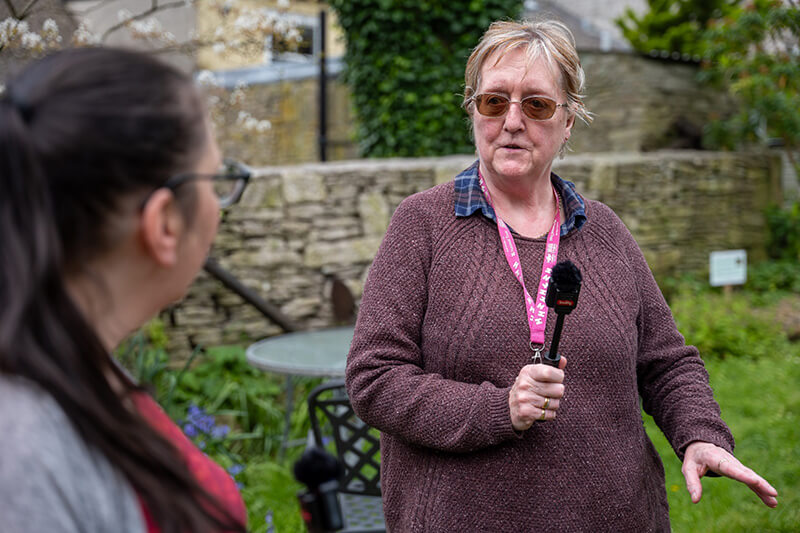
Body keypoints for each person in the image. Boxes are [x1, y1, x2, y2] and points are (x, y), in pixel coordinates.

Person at [345, 19, 778, 532]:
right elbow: (374, 378)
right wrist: (497, 408)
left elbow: (666, 362)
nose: (511, 121)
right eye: (493, 102)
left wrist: (699, 433)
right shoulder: (423, 226)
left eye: (536, 104)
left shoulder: (605, 231)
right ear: (472, 111)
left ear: (568, 120)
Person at [0, 47, 252, 533]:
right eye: (216, 180)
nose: (220, 205)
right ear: (163, 223)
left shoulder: (71, 364)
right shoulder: (24, 447)